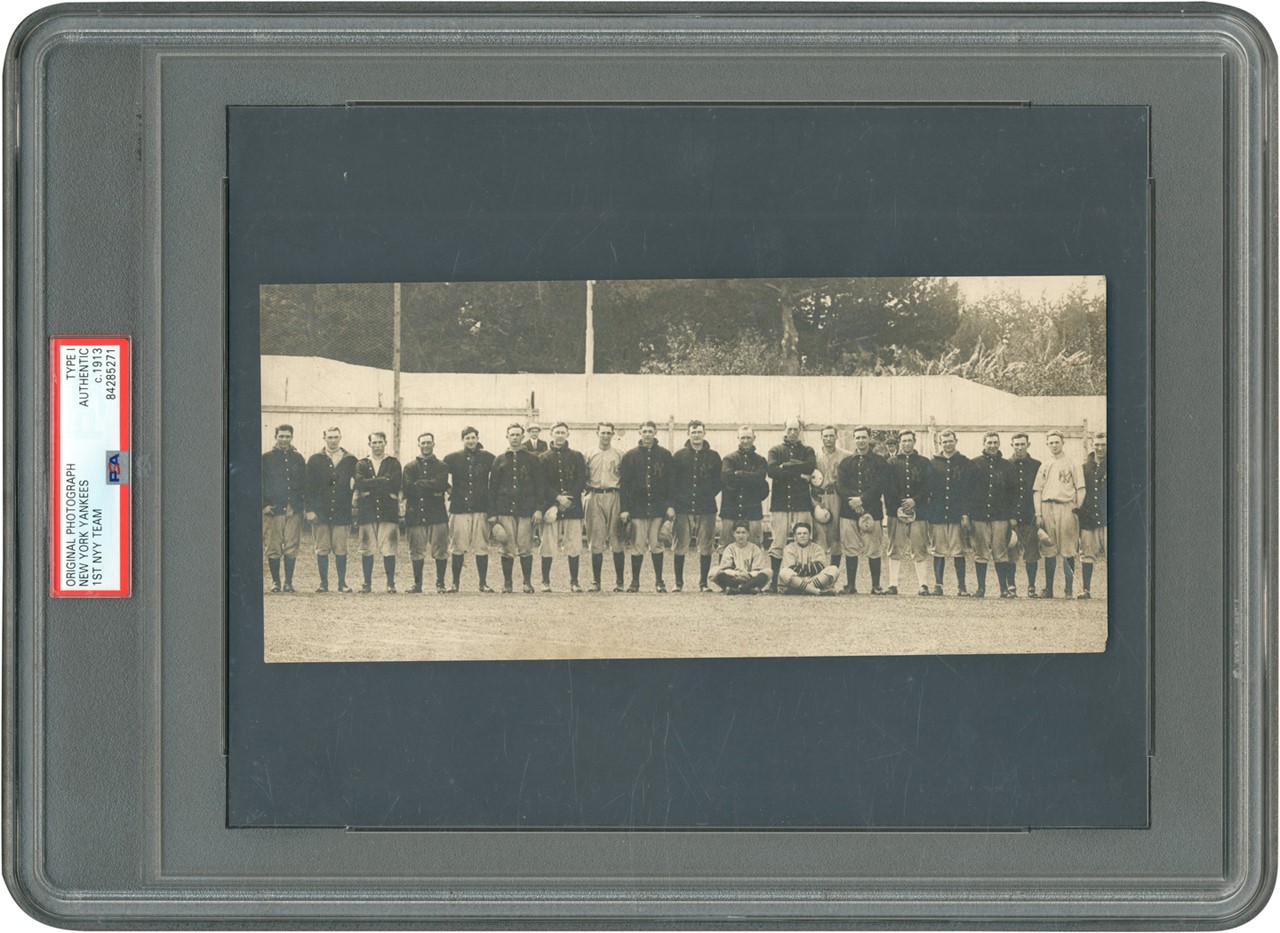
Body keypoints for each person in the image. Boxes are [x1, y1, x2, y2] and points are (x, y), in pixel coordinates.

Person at [488, 423, 545, 593]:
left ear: (523, 437)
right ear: (507, 437)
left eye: (518, 435)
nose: (515, 438)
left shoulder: (533, 459)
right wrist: (492, 513)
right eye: (511, 435)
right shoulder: (499, 460)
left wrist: (539, 509)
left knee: (525, 546)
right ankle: (507, 583)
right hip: (505, 509)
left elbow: (540, 486)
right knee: (507, 547)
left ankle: (527, 582)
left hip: (526, 510)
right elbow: (493, 488)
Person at [618, 420, 674, 592]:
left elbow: (671, 483)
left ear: (655, 432)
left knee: (656, 544)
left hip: (658, 508)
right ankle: (635, 581)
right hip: (637, 508)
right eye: (644, 431)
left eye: (650, 431)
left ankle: (659, 581)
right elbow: (624, 485)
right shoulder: (630, 456)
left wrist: (670, 506)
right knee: (638, 545)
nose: (647, 434)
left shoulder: (664, 455)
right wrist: (624, 508)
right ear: (639, 432)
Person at [303, 426, 358, 593]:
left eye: (336, 437)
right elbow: (307, 487)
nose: (333, 440)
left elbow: (359, 481)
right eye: (330, 437)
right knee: (322, 547)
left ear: (341, 438)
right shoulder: (314, 459)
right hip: (320, 512)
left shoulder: (350, 459)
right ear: (324, 438)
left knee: (341, 548)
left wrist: (354, 495)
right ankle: (323, 583)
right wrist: (309, 509)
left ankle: (342, 583)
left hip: (342, 511)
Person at [1033, 430, 1086, 598]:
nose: (1054, 445)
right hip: (1048, 506)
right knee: (1049, 548)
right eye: (1051, 442)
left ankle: (1069, 589)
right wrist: (1038, 514)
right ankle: (1049, 589)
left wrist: (1076, 508)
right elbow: (1037, 491)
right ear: (1047, 444)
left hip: (1067, 507)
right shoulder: (1045, 465)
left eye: (1057, 442)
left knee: (1068, 550)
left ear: (1063, 443)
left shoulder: (1072, 463)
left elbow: (1081, 489)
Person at [670, 420, 722, 592]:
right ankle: (678, 583)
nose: (696, 435)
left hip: (706, 507)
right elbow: (672, 482)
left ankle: (703, 583)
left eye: (699, 432)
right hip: (682, 507)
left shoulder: (714, 456)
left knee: (706, 546)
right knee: (680, 545)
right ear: (688, 434)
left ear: (704, 433)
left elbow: (718, 482)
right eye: (693, 432)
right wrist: (680, 499)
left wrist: (706, 495)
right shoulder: (679, 456)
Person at [766, 418, 817, 590]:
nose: (793, 433)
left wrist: (786, 467)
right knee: (778, 543)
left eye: (796, 429)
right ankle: (774, 583)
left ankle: (806, 580)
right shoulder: (775, 450)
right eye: (790, 429)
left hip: (802, 504)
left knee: (805, 541)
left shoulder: (808, 450)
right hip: (780, 505)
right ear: (785, 429)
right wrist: (798, 474)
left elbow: (810, 467)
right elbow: (772, 471)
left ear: (800, 430)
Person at [442, 426, 496, 592]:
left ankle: (483, 583)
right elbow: (440, 477)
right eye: (467, 438)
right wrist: (451, 491)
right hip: (459, 508)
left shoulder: (489, 458)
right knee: (457, 545)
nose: (471, 441)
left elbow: (495, 482)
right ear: (462, 440)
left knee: (481, 545)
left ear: (477, 438)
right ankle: (455, 583)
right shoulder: (452, 458)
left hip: (481, 507)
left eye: (473, 437)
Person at [967, 432, 1018, 597]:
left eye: (995, 442)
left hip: (1000, 516)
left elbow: (1013, 493)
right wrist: (966, 515)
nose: (992, 446)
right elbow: (966, 492)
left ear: (999, 444)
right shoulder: (974, 464)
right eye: (989, 442)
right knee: (980, 552)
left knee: (1000, 552)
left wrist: (1012, 516)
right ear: (984, 443)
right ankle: (981, 588)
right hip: (979, 516)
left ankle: (1003, 589)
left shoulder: (1007, 466)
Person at [835, 426, 886, 594]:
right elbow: (840, 486)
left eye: (864, 437)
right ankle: (851, 585)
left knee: (874, 548)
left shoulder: (880, 462)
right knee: (850, 547)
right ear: (854, 439)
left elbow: (879, 485)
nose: (861, 441)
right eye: (857, 438)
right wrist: (854, 501)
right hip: (848, 511)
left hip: (872, 510)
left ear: (869, 438)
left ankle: (876, 585)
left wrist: (862, 500)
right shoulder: (846, 462)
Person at [539, 422, 587, 592]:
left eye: (563, 432)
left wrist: (568, 500)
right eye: (557, 432)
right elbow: (541, 483)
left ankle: (574, 581)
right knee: (548, 545)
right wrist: (557, 499)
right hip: (550, 506)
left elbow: (581, 480)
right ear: (551, 433)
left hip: (572, 508)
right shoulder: (543, 457)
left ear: (568, 434)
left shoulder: (576, 456)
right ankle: (545, 581)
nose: (560, 436)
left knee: (573, 545)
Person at [883, 429, 932, 596]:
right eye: (903, 441)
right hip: (896, 512)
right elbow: (888, 487)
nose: (906, 444)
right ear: (899, 443)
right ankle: (893, 585)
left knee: (919, 547)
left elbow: (929, 486)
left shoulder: (925, 462)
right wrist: (899, 506)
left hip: (920, 511)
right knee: (895, 547)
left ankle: (923, 585)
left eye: (909, 440)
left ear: (914, 441)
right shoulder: (891, 462)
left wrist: (915, 501)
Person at [401, 432, 451, 594]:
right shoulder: (409, 467)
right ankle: (417, 584)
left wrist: (420, 484)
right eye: (423, 443)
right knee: (416, 550)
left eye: (429, 442)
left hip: (437, 515)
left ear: (434, 444)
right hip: (415, 514)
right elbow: (408, 488)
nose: (426, 445)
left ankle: (440, 583)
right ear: (419, 445)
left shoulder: (442, 466)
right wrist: (432, 487)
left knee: (441, 550)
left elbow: (441, 484)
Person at [354, 431, 402, 593]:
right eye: (373, 442)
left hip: (388, 511)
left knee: (389, 547)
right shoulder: (362, 463)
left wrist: (370, 487)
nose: (377, 446)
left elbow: (394, 483)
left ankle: (390, 583)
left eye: (380, 442)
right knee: (367, 547)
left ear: (385, 443)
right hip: (367, 512)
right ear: (369, 444)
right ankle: (367, 583)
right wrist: (383, 482)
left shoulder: (393, 462)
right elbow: (360, 483)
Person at [262, 424, 307, 593]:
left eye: (287, 436)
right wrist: (264, 505)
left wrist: (299, 504)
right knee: (273, 546)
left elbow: (304, 484)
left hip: (293, 509)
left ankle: (288, 582)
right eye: (281, 436)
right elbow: (258, 483)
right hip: (273, 509)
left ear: (292, 437)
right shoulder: (266, 458)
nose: (284, 440)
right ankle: (275, 582)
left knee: (291, 545)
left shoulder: (298, 458)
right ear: (275, 437)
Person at [927, 429, 971, 597]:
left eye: (950, 441)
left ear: (956, 441)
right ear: (940, 443)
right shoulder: (933, 463)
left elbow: (968, 489)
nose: (947, 444)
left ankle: (962, 587)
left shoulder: (964, 462)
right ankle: (938, 585)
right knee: (938, 550)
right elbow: (928, 489)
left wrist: (965, 513)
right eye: (944, 441)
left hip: (956, 513)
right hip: (937, 514)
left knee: (958, 550)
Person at [584, 422, 626, 592]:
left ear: (613, 434)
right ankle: (596, 582)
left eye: (609, 433)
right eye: (603, 433)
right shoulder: (588, 454)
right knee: (596, 540)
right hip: (594, 495)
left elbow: (625, 479)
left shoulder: (620, 454)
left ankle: (619, 582)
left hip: (614, 495)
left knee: (617, 540)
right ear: (597, 433)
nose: (606, 436)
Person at [719, 426, 769, 549]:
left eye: (748, 438)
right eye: (743, 438)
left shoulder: (760, 460)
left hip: (753, 511)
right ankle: (725, 568)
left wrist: (739, 474)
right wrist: (751, 477)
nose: (745, 441)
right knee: (726, 546)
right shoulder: (729, 459)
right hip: (730, 510)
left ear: (754, 438)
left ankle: (753, 569)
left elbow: (760, 479)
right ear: (738, 438)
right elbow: (727, 478)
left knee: (754, 545)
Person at [1007, 432, 1042, 597]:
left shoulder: (1037, 465)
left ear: (1028, 445)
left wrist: (1038, 514)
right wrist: (1010, 516)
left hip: (1030, 516)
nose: (1019, 448)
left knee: (1031, 553)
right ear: (1012, 445)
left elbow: (1039, 491)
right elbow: (1004, 493)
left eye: (1022, 444)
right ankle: (1011, 585)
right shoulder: (1006, 464)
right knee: (1011, 552)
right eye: (1016, 445)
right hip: (1011, 517)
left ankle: (1031, 586)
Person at [812, 425, 851, 568]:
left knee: (836, 534)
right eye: (825, 436)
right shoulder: (815, 455)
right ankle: (819, 573)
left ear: (836, 436)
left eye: (831, 435)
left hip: (836, 496)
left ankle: (832, 573)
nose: (828, 439)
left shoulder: (846, 455)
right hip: (819, 496)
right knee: (819, 534)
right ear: (821, 437)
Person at [1077, 431, 1108, 599]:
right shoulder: (1084, 468)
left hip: (1109, 517)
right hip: (1089, 518)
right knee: (1087, 554)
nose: (1100, 448)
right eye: (1097, 444)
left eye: (1103, 445)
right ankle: (1086, 590)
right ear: (1092, 445)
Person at [777, 522, 840, 595]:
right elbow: (792, 568)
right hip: (796, 579)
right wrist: (811, 568)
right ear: (794, 536)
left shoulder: (817, 548)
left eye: (805, 533)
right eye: (799, 534)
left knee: (834, 569)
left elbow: (820, 567)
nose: (802, 536)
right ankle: (817, 592)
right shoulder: (789, 548)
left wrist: (798, 566)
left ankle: (805, 589)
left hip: (813, 580)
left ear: (810, 535)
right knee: (784, 572)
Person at [712, 521, 771, 594]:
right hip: (733, 578)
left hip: (750, 579)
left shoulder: (754, 548)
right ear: (733, 534)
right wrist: (736, 573)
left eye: (743, 532)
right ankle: (747, 589)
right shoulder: (730, 548)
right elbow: (725, 568)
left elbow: (758, 569)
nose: (741, 535)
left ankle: (737, 589)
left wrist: (748, 574)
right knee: (714, 571)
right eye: (738, 533)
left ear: (748, 534)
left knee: (768, 571)